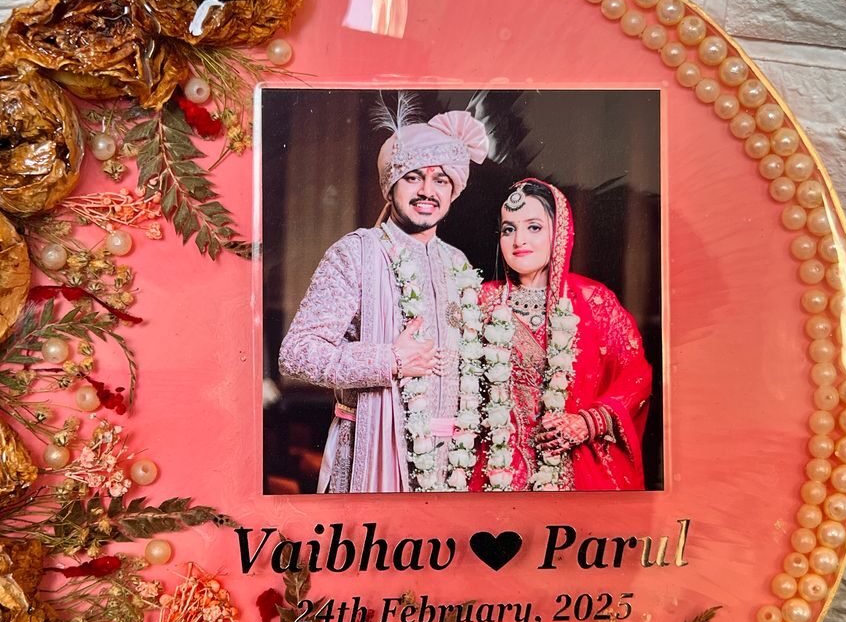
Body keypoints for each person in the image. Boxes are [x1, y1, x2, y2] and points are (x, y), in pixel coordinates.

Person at [278, 106, 490, 492]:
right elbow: (297, 354)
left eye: (441, 179)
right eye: (413, 177)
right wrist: (389, 359)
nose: (427, 191)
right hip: (371, 457)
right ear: (390, 186)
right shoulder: (356, 253)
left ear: (453, 191)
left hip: (450, 470)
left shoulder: (458, 263)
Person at [472, 179, 652, 491]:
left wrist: (587, 423)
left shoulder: (593, 301)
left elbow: (636, 376)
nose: (519, 240)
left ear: (560, 232)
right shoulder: (481, 301)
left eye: (534, 227)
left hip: (577, 469)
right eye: (508, 229)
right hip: (497, 471)